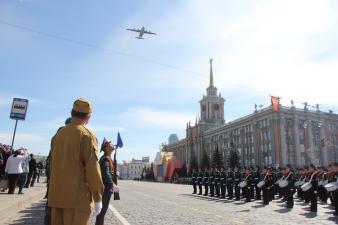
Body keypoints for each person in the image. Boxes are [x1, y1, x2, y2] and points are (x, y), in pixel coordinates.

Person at [48, 98, 104, 225]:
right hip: (76, 198)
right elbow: (92, 168)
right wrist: (97, 196)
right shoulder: (87, 135)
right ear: (88, 116)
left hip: (56, 195)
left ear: (72, 113)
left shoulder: (58, 134)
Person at [95, 138, 118, 225]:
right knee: (102, 210)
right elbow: (106, 174)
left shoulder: (107, 158)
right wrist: (113, 184)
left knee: (102, 210)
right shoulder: (106, 159)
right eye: (110, 144)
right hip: (106, 187)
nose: (112, 146)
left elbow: (109, 172)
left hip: (106, 186)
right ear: (107, 148)